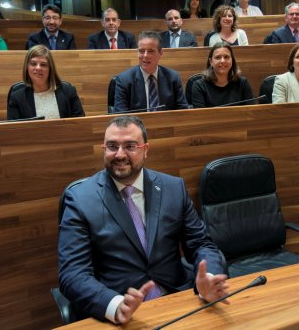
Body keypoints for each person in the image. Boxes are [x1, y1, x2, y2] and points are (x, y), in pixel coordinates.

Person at [58, 115, 229, 323]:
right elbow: (73, 274)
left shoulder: (173, 188)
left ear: (145, 149)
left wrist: (208, 279)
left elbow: (201, 244)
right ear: (103, 148)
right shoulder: (80, 199)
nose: (120, 154)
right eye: (112, 146)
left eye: (130, 146)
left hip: (179, 302)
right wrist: (114, 304)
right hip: (124, 313)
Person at [113, 31, 189, 112]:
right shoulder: (123, 80)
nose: (145, 56)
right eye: (141, 51)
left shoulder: (173, 77)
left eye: (150, 51)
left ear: (160, 53)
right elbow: (121, 116)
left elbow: (183, 111)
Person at [7, 45, 85, 120]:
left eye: (43, 65)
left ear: (50, 69)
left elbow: (80, 124)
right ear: (27, 67)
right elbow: (13, 131)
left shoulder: (68, 91)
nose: (38, 68)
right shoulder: (17, 97)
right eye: (33, 64)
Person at [191, 42, 254, 108]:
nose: (223, 61)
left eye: (226, 57)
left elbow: (252, 113)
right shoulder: (199, 86)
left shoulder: (242, 83)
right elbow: (200, 117)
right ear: (211, 62)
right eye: (218, 57)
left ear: (232, 60)